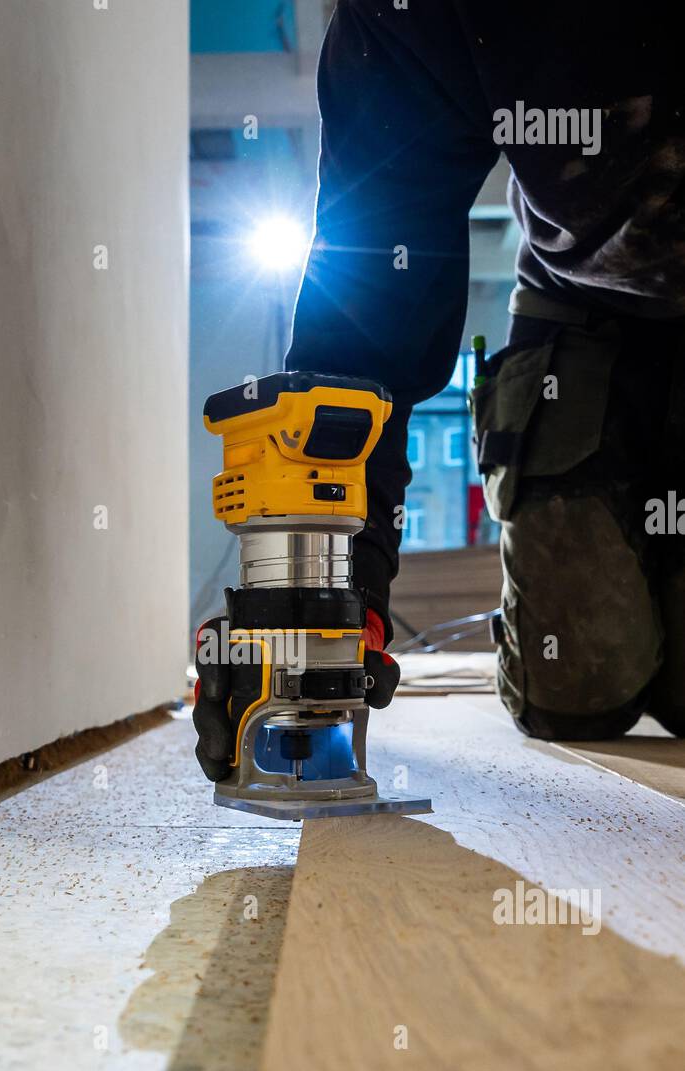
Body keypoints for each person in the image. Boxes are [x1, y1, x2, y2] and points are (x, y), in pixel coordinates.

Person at [195, 0, 683, 780]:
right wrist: (322, 594)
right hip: (587, 308)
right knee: (580, 683)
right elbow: (367, 326)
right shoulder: (411, 14)